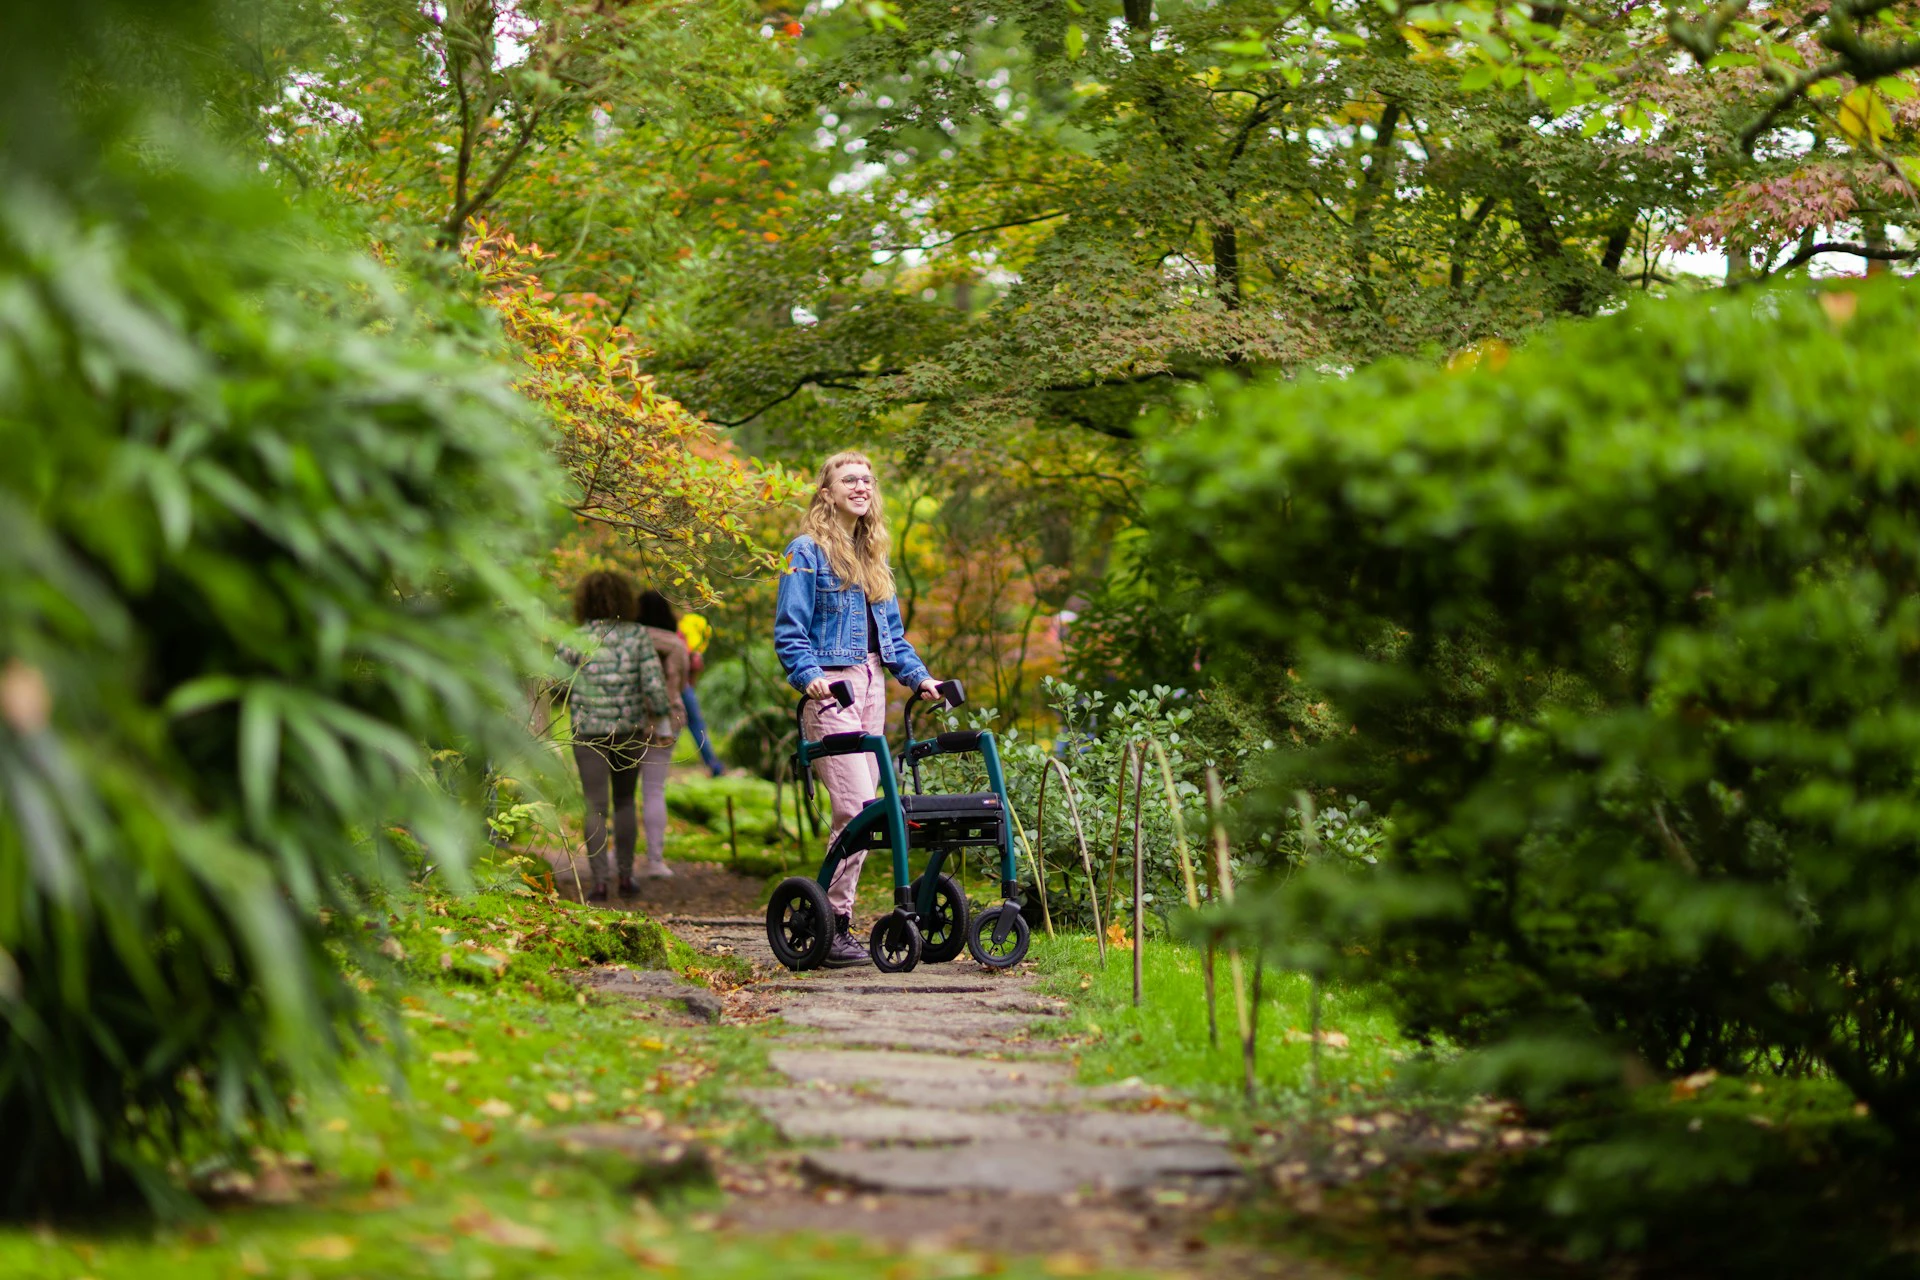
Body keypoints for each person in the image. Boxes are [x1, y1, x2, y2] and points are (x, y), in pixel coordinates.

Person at [773, 451, 946, 969]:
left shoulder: (873, 556)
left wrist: (922, 678)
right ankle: (835, 922)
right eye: (849, 479)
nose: (861, 486)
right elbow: (789, 631)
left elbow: (892, 641)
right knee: (857, 807)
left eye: (867, 479)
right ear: (826, 492)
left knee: (869, 809)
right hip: (833, 690)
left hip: (873, 686)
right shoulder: (804, 551)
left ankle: (830, 921)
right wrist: (811, 678)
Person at [556, 570, 671, 901]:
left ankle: (599, 882)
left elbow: (555, 682)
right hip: (628, 731)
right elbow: (654, 684)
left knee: (594, 805)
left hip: (588, 731)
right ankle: (625, 877)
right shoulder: (636, 636)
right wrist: (662, 719)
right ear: (624, 599)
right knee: (623, 802)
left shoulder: (575, 637)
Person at [635, 589, 691, 878]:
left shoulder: (631, 640)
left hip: (629, 720)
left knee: (621, 792)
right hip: (667, 722)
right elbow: (682, 685)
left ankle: (619, 857)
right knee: (654, 789)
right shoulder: (677, 645)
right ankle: (655, 860)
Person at [677, 612, 727, 777]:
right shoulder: (687, 633)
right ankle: (714, 767)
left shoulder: (682, 632)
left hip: (677, 686)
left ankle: (714, 766)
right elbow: (696, 665)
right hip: (682, 686)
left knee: (681, 725)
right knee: (696, 724)